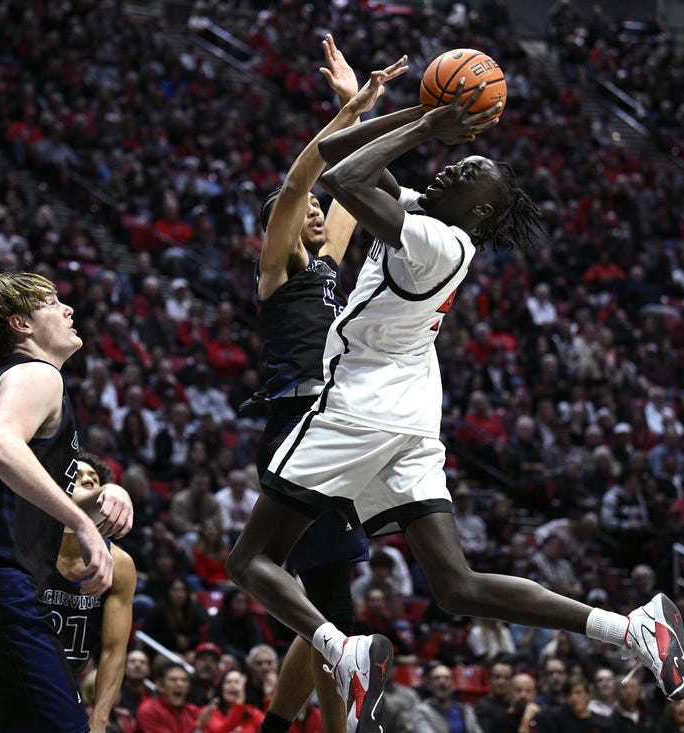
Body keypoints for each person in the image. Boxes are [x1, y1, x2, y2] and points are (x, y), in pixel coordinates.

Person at [226, 82, 684, 733]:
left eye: (468, 171)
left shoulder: (441, 243)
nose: (453, 165)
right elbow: (340, 150)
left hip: (361, 407)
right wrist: (397, 108)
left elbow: (341, 175)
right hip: (412, 415)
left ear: (477, 210)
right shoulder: (424, 214)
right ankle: (631, 627)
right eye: (463, 159)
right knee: (458, 585)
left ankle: (343, 649)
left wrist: (429, 124)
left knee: (250, 560)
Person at [252, 35, 409, 733]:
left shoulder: (323, 268)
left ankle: (278, 727)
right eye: (304, 210)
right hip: (295, 424)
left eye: (320, 210)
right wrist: (342, 120)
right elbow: (298, 183)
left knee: (322, 600)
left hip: (335, 428)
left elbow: (343, 181)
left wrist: (356, 106)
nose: (315, 209)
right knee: (331, 606)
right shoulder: (277, 273)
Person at [0, 272, 132, 733]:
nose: (68, 309)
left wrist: (101, 498)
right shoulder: (38, 374)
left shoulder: (8, 384)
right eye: (53, 303)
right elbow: (0, 447)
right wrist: (85, 525)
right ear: (22, 325)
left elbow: (28, 487)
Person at [39, 453, 137, 733]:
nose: (84, 480)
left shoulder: (120, 564)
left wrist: (99, 722)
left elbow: (113, 652)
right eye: (74, 475)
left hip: (67, 690)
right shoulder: (27, 545)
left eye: (92, 480)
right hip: (12, 683)